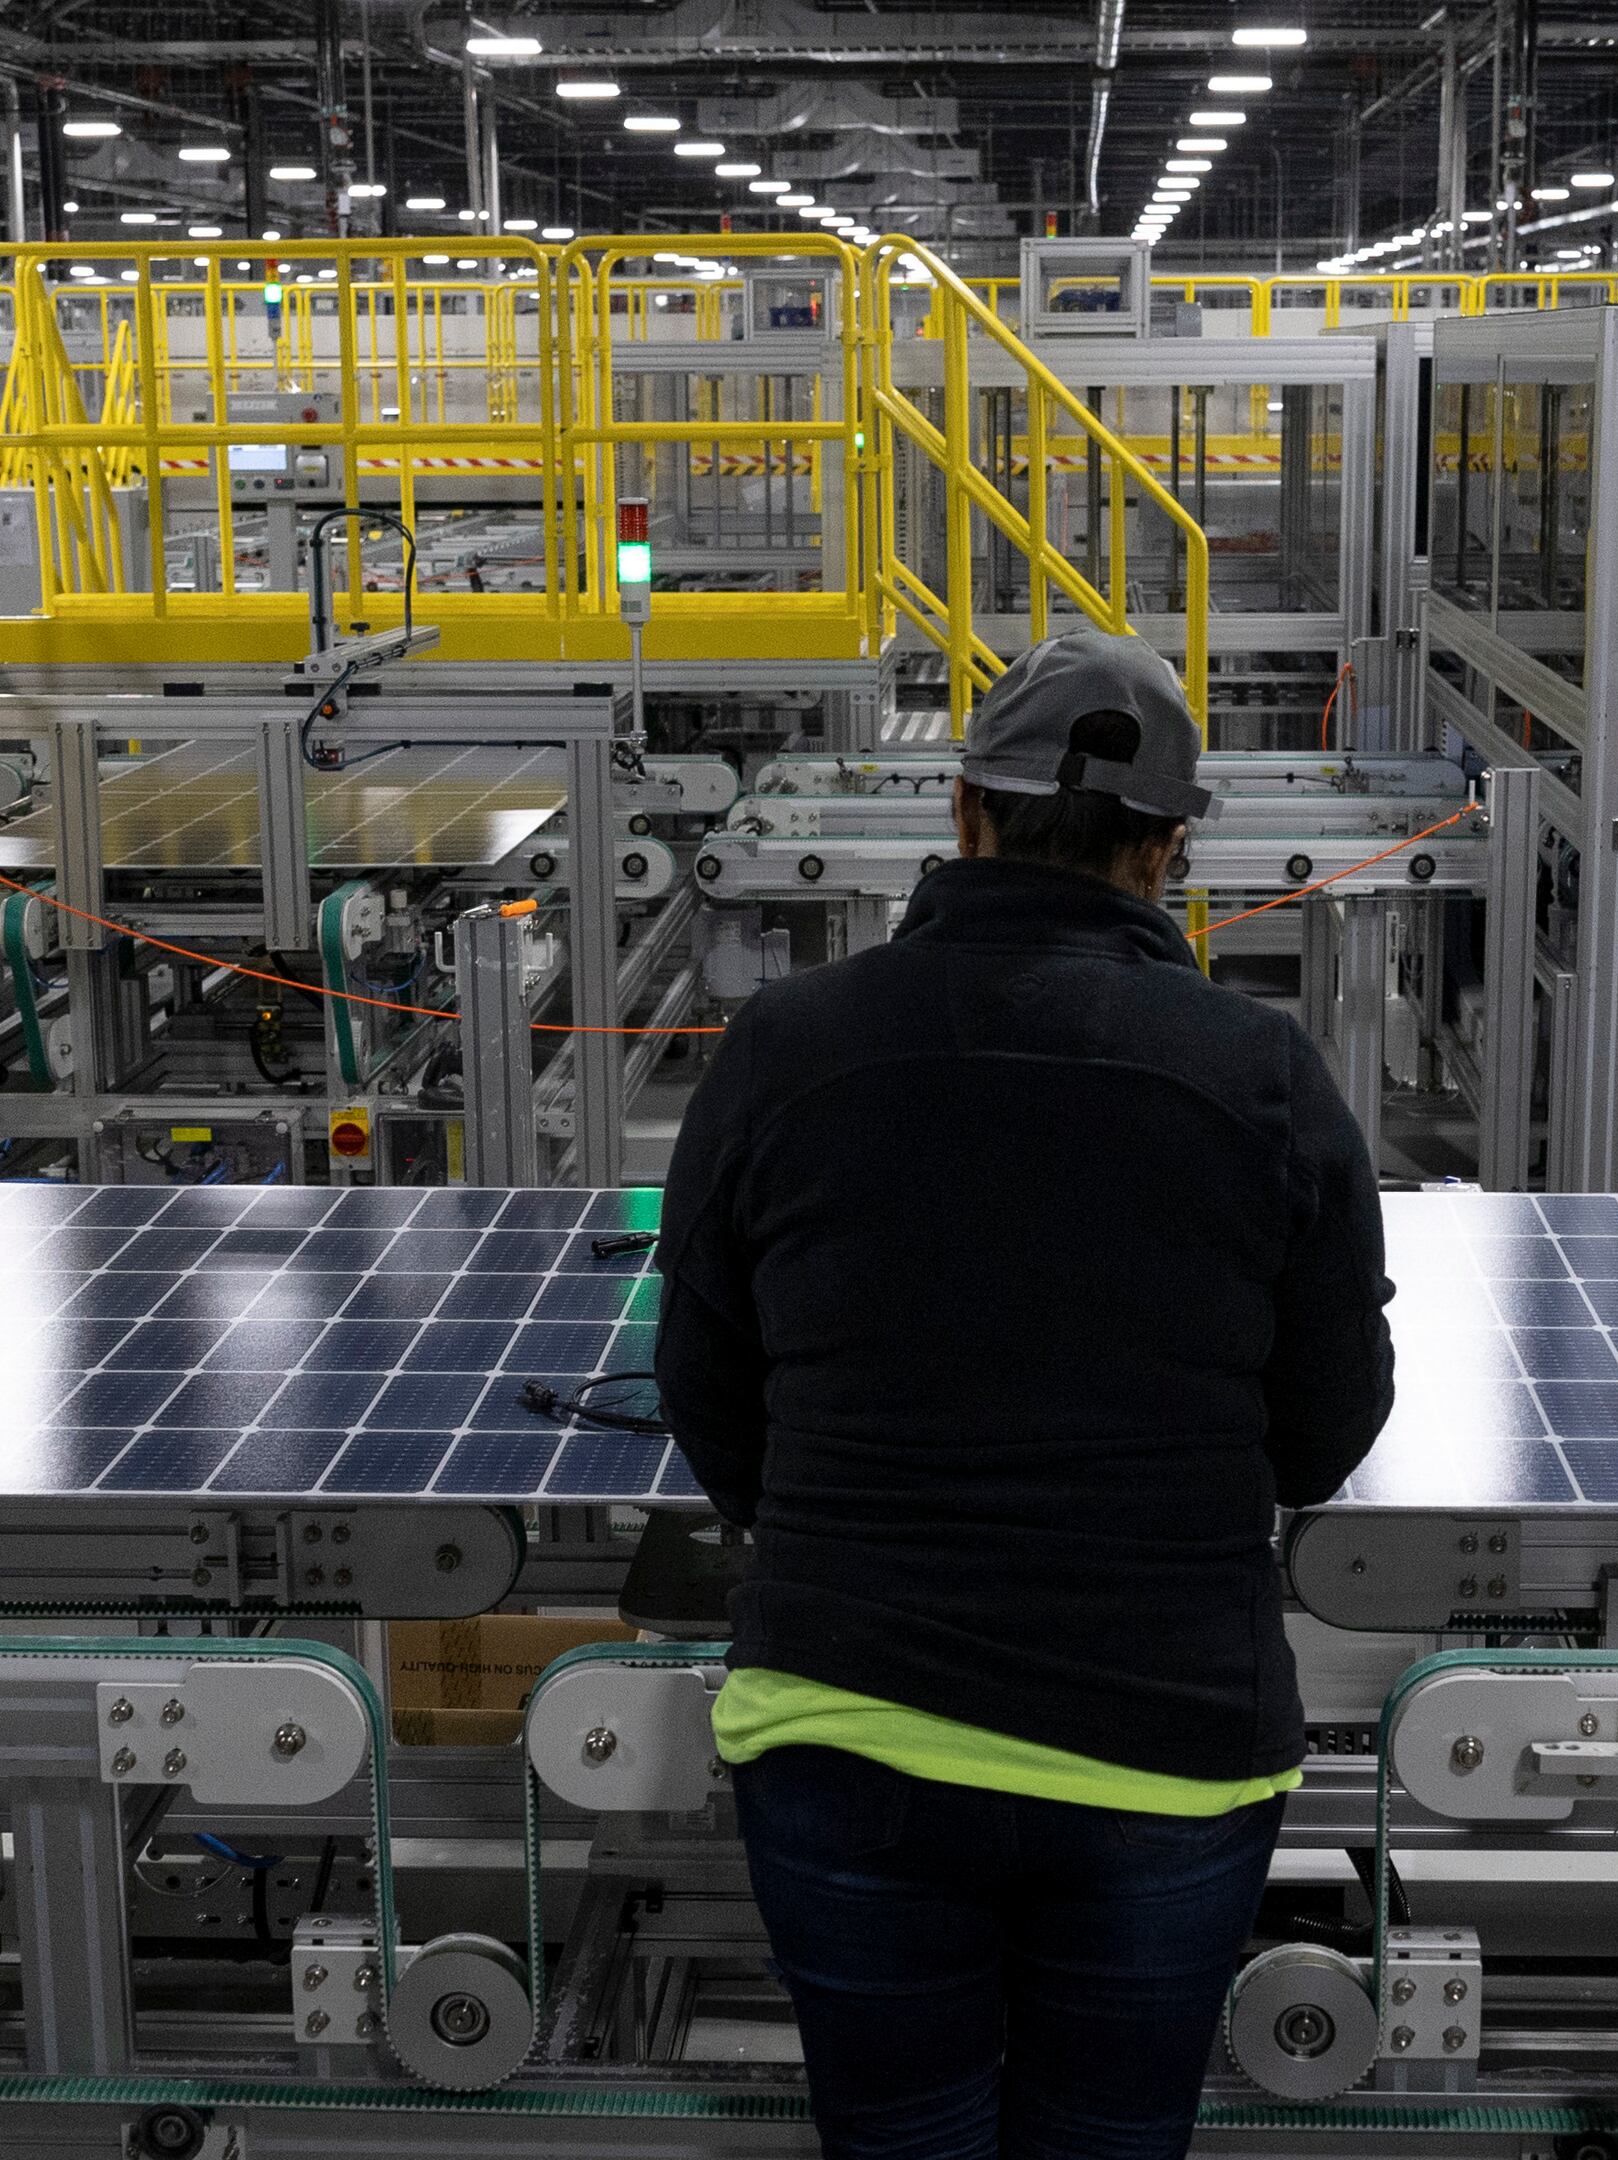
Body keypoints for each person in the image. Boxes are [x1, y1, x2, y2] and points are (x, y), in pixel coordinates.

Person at [655, 629, 1398, 2159]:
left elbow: (706, 1388)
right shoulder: (1260, 1073)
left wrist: (838, 1539)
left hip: (844, 1733)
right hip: (1165, 1744)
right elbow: (1327, 1431)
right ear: (1171, 852)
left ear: (959, 811)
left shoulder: (784, 1048)